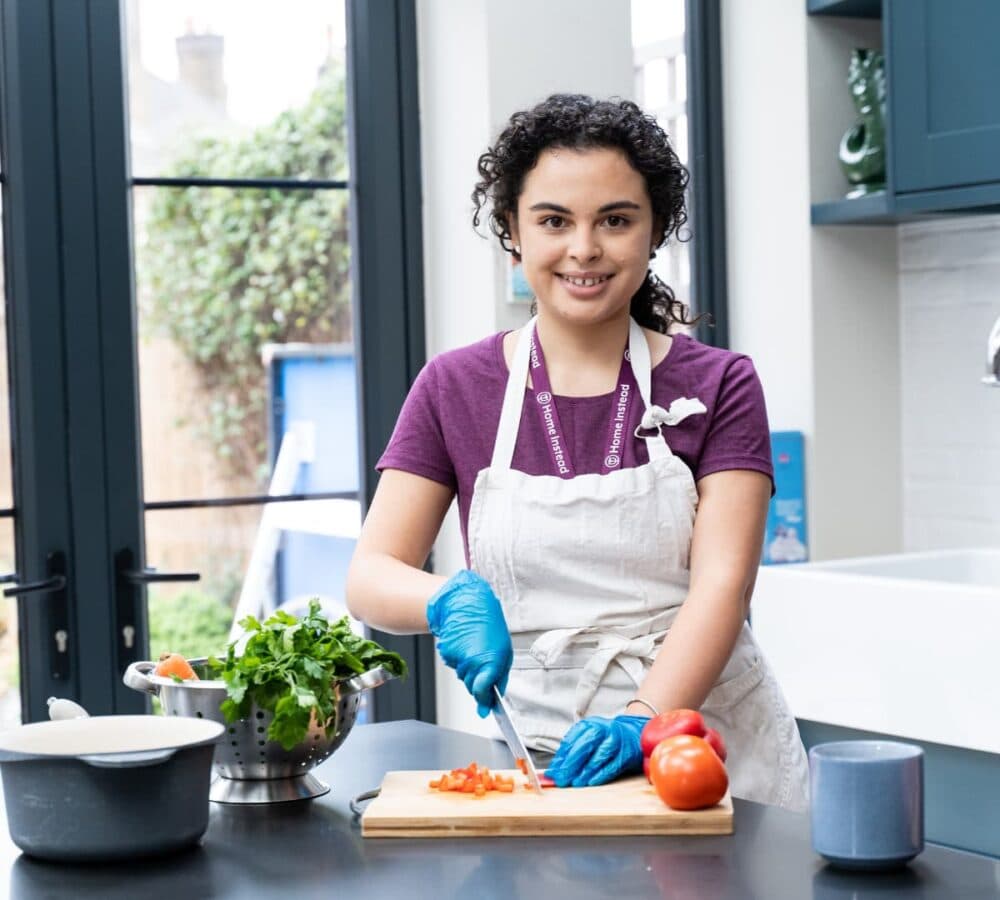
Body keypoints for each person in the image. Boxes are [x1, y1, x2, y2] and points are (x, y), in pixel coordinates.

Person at [345, 94, 809, 811]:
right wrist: (446, 597)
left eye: (615, 220)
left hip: (704, 754)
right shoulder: (454, 387)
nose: (584, 249)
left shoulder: (720, 383)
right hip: (541, 764)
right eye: (554, 220)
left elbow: (724, 589)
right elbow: (371, 577)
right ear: (513, 232)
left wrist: (641, 721)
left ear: (654, 232)